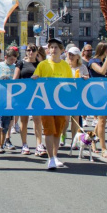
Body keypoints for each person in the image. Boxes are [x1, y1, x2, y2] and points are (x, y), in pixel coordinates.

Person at [32, 37, 72, 170]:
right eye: (51, 47)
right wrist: (34, 79)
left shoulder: (65, 65)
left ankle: (55, 156)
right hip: (46, 103)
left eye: (56, 47)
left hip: (60, 104)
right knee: (49, 130)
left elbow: (70, 85)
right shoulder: (42, 65)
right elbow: (35, 80)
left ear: (61, 50)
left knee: (57, 131)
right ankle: (50, 158)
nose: (53, 49)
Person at [13, 43, 43, 156]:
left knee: (37, 120)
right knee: (24, 120)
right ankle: (24, 144)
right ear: (26, 51)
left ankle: (39, 145)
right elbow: (15, 79)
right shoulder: (21, 63)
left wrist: (38, 78)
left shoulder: (40, 64)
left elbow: (45, 79)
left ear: (37, 52)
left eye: (33, 50)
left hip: (37, 95)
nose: (31, 52)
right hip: (23, 95)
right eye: (29, 50)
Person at [88, 42, 107, 158]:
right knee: (102, 120)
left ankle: (93, 140)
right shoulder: (92, 62)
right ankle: (104, 148)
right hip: (96, 93)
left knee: (102, 120)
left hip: (105, 92)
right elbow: (101, 71)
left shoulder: (106, 62)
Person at [0, 48, 18, 153]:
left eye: (14, 59)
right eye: (11, 59)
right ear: (6, 58)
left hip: (10, 98)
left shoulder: (16, 67)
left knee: (6, 125)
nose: (13, 61)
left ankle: (3, 143)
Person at [65, 46, 90, 144]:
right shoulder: (65, 65)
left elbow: (87, 77)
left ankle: (73, 140)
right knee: (65, 120)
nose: (70, 57)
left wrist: (85, 78)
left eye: (73, 55)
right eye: (69, 54)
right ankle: (63, 134)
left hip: (77, 95)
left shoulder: (82, 67)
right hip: (66, 94)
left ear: (77, 57)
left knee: (75, 118)